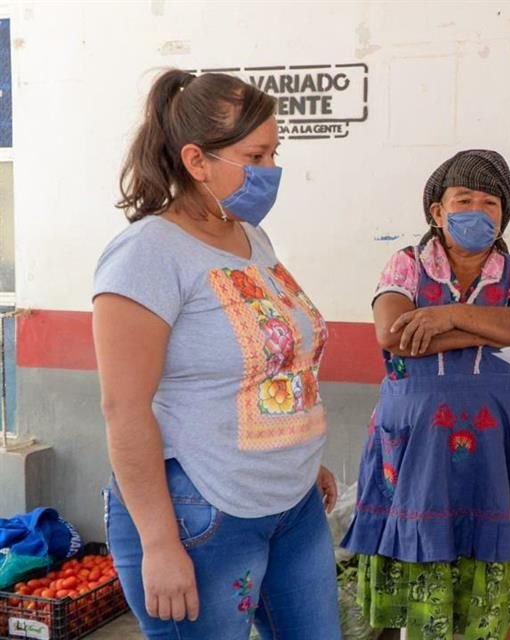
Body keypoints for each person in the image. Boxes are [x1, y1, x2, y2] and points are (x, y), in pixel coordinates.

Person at [93, 69, 341, 640]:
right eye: (256, 155)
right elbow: (124, 408)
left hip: (291, 504)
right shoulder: (147, 254)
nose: (272, 171)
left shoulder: (250, 237)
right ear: (197, 161)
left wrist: (295, 451)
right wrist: (159, 543)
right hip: (201, 513)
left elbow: (273, 364)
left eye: (275, 153)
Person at [341, 150, 510, 640]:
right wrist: (497, 328)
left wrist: (446, 316)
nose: (477, 212)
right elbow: (392, 333)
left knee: (497, 587)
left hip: (501, 453)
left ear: (504, 215)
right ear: (437, 212)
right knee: (420, 574)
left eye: (490, 203)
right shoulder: (405, 265)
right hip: (418, 451)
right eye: (464, 200)